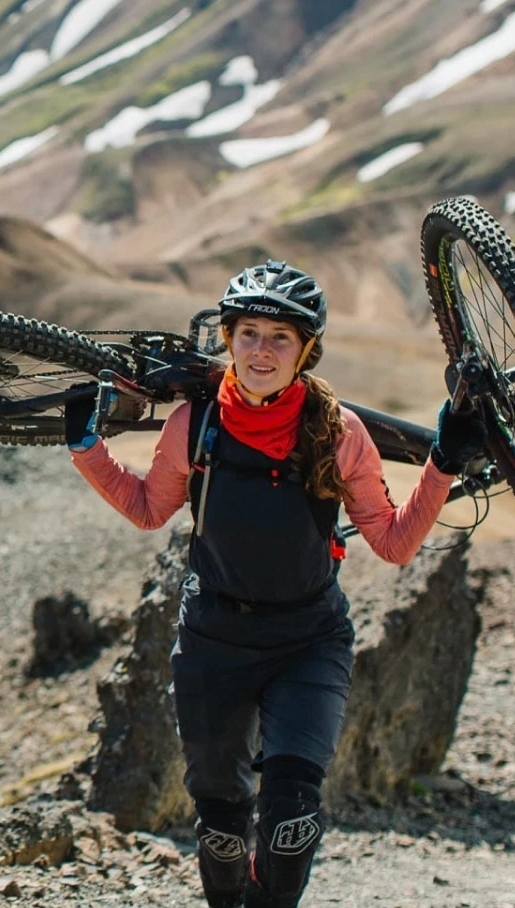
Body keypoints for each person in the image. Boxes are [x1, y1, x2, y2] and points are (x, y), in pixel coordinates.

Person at [63, 261, 486, 908]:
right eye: (249, 333)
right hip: (214, 642)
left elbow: (394, 543)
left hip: (308, 641)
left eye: (280, 337)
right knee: (224, 830)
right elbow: (150, 509)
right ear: (228, 339)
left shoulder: (340, 433)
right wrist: (87, 449)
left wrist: (444, 464)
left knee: (290, 825)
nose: (262, 351)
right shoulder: (196, 425)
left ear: (306, 351)